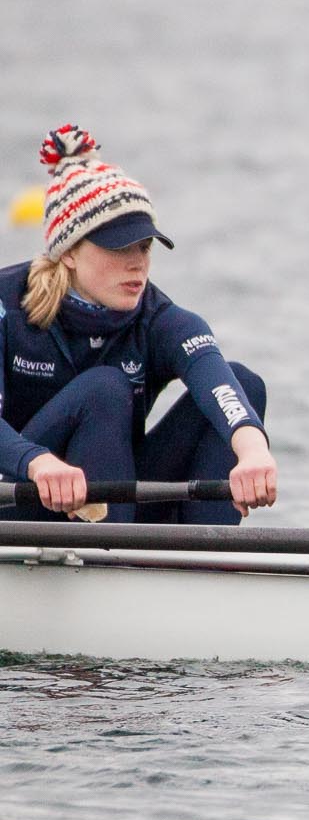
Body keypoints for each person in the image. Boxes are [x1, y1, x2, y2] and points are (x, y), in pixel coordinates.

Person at [0, 125, 275, 524]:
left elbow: (215, 379)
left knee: (244, 382)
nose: (137, 264)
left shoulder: (156, 317)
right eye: (118, 247)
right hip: (19, 494)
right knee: (105, 388)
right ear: (69, 252)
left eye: (144, 247)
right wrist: (38, 462)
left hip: (108, 497)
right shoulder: (6, 302)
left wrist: (253, 449)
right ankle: (113, 559)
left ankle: (211, 564)